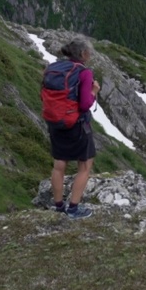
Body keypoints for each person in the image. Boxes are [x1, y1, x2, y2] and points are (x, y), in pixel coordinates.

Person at [42, 38, 100, 219]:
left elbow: (43, 95)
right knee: (84, 166)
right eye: (89, 52)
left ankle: (58, 206)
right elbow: (84, 104)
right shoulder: (84, 73)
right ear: (82, 54)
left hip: (55, 123)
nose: (90, 55)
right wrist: (94, 92)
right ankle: (73, 209)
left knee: (59, 165)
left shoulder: (53, 68)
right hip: (77, 125)